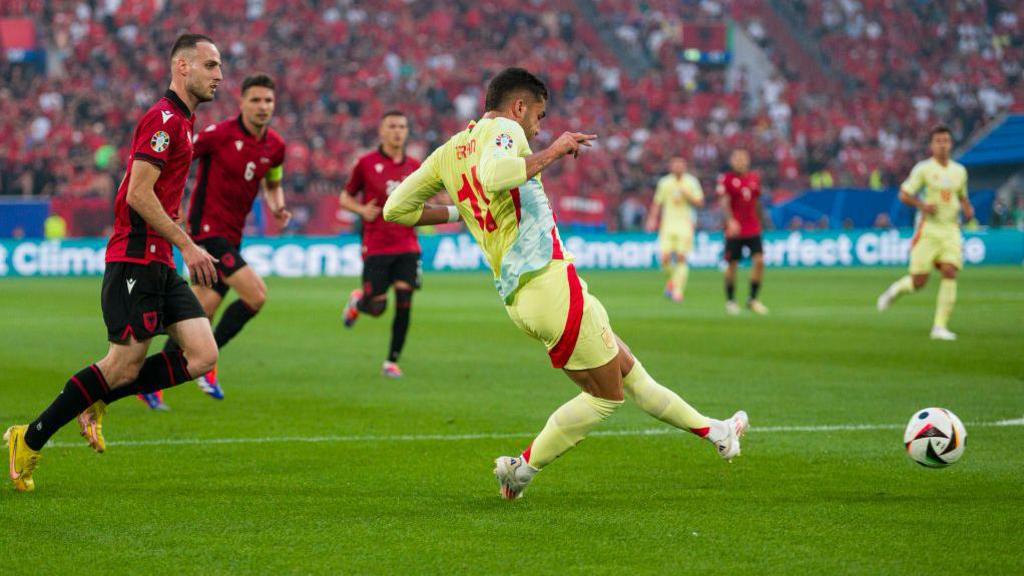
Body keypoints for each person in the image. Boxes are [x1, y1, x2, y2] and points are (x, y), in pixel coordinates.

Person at [382, 67, 748, 500]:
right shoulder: (503, 128)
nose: (538, 128)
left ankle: (719, 433)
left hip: (520, 297)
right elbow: (496, 176)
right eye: (538, 116)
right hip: (550, 281)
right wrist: (554, 151)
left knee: (631, 375)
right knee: (606, 397)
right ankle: (521, 471)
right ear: (518, 107)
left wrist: (457, 212)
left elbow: (394, 209)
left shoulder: (448, 152)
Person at [5, 34, 223, 492]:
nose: (218, 75)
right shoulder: (163, 120)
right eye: (210, 65)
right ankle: (30, 437)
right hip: (135, 259)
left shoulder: (185, 123)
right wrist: (188, 245)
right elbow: (138, 193)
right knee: (121, 365)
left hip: (159, 261)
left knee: (203, 354)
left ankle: (98, 399)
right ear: (182, 67)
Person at [143, 73, 289, 408]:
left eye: (268, 100)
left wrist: (278, 206)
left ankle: (151, 382)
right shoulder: (218, 135)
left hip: (233, 237)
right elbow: (177, 160)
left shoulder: (275, 146)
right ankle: (207, 365)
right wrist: (168, 200)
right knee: (256, 295)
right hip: (206, 234)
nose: (262, 106)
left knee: (198, 314)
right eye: (255, 100)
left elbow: (273, 181)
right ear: (242, 102)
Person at [340, 111, 422, 379]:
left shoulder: (415, 166)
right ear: (382, 132)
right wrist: (361, 210)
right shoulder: (365, 163)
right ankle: (359, 301)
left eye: (402, 126)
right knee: (377, 307)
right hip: (376, 245)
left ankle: (391, 361)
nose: (398, 131)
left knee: (405, 299)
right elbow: (345, 197)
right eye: (392, 126)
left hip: (407, 245)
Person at [876, 125, 974, 340]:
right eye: (938, 141)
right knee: (919, 281)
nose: (942, 144)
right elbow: (904, 194)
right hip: (928, 229)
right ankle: (895, 291)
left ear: (951, 143)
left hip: (951, 229)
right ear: (932, 145)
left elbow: (962, 195)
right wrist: (922, 206)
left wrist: (967, 208)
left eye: (946, 140)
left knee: (950, 271)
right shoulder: (923, 169)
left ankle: (939, 327)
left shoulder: (960, 171)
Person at [645, 156, 704, 302]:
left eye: (680, 164)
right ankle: (672, 282)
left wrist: (687, 194)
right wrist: (652, 219)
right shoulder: (664, 182)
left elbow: (700, 202)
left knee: (681, 258)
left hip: (685, 224)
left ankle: (677, 291)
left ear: (685, 166)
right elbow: (657, 203)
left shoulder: (691, 182)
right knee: (664, 258)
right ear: (671, 166)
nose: (678, 167)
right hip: (667, 224)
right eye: (675, 164)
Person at [718, 149, 769, 315]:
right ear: (732, 161)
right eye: (737, 158)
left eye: (743, 159)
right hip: (735, 230)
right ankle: (731, 301)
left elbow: (757, 202)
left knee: (760, 261)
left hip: (752, 227)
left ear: (748, 161)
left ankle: (752, 299)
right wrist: (730, 221)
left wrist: (761, 221)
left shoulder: (754, 178)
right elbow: (724, 202)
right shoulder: (727, 179)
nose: (740, 162)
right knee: (732, 264)